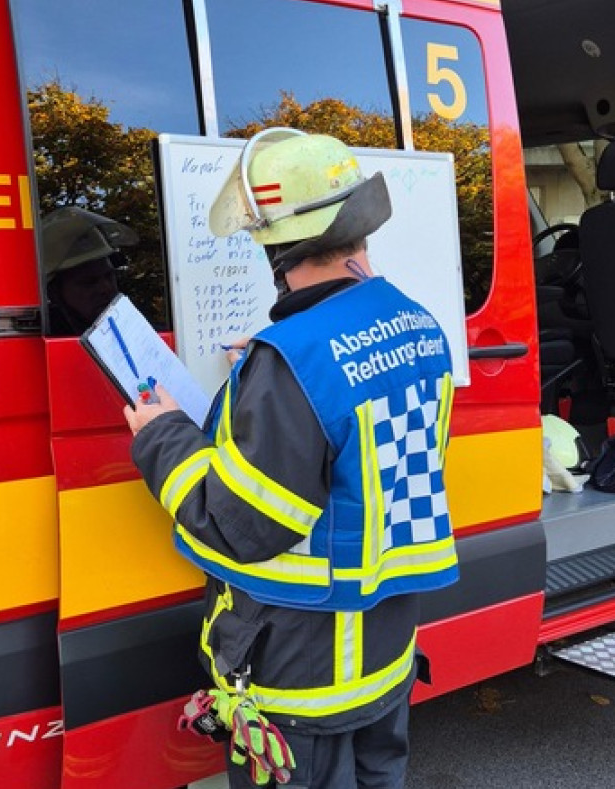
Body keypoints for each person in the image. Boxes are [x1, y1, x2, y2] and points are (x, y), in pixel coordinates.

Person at [123, 128, 459, 789]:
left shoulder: (292, 361)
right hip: (384, 655)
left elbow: (242, 523)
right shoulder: (417, 322)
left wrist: (160, 431)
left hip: (304, 675)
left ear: (277, 249)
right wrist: (278, 367)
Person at [39, 205, 138, 335]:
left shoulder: (137, 332)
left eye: (109, 276)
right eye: (89, 282)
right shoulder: (47, 341)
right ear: (54, 292)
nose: (106, 288)